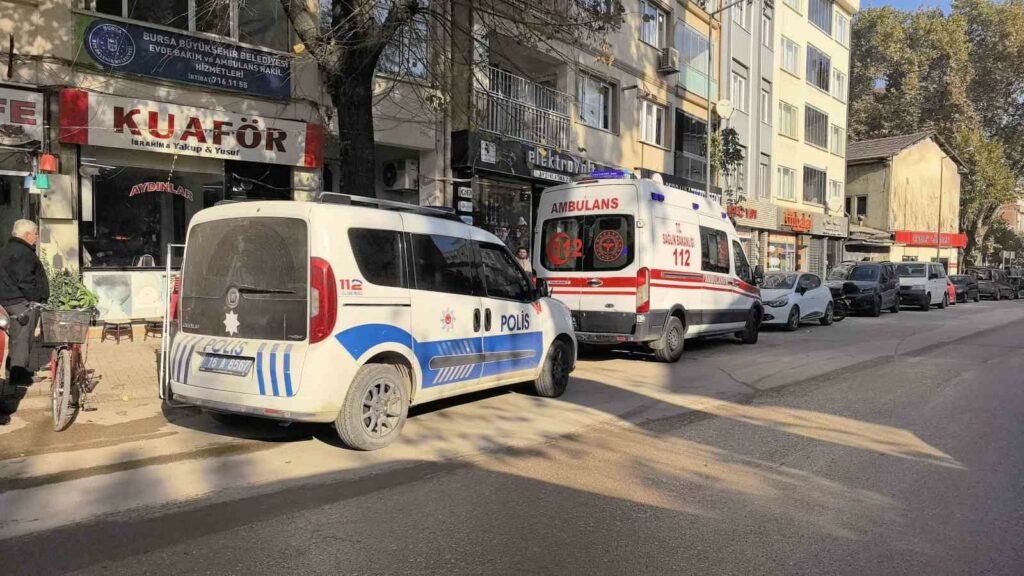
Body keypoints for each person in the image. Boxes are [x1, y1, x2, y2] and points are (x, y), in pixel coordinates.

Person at [0, 220, 49, 391]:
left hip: (8, 301)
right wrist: (36, 299)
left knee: (16, 338)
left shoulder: (7, 249)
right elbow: (25, 281)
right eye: (35, 233)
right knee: (22, 339)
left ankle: (12, 370)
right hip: (20, 302)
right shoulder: (23, 252)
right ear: (27, 235)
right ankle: (18, 376)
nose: (37, 237)